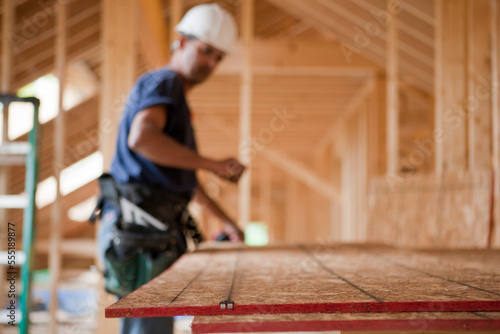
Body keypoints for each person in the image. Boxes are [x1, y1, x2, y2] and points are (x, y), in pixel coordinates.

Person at [92, 4, 245, 334]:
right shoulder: (166, 83)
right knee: (148, 329)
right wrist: (214, 164)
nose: (211, 63)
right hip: (143, 228)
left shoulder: (174, 98)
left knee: (148, 327)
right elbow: (142, 139)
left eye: (219, 57)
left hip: (147, 227)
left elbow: (183, 181)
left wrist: (226, 220)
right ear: (181, 41)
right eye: (206, 51)